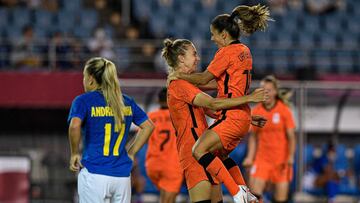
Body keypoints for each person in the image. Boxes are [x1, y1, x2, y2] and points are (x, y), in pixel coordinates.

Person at [167, 4, 272, 203]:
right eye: (194, 54)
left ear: (224, 34)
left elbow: (207, 85)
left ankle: (238, 193)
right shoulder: (245, 50)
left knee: (200, 151)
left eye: (213, 34)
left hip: (210, 134)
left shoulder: (222, 55)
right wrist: (248, 116)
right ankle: (244, 191)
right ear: (181, 58)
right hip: (238, 117)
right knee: (219, 156)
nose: (212, 39)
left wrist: (176, 75)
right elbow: (215, 93)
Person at [68, 57, 154, 203]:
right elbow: (148, 126)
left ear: (90, 79)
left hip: (95, 172)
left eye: (84, 76)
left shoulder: (83, 100)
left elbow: (74, 126)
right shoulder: (126, 101)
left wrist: (75, 153)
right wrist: (131, 152)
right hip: (122, 177)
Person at [242, 75, 296, 203]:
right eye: (263, 90)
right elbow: (253, 137)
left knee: (280, 199)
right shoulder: (256, 111)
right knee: (254, 196)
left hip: (281, 161)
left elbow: (291, 137)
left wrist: (290, 156)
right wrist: (250, 157)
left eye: (269, 90)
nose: (266, 93)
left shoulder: (284, 111)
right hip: (262, 160)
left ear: (275, 92)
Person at [145, 88, 184, 203]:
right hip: (172, 164)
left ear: (158, 100)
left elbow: (143, 137)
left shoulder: (150, 116)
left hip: (152, 164)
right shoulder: (179, 117)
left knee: (163, 195)